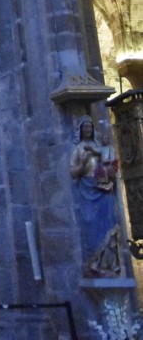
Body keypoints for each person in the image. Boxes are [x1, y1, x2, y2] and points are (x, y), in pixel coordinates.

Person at [70, 116, 121, 277]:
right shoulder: (78, 149)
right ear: (80, 130)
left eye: (90, 127)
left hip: (103, 189)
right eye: (85, 127)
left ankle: (110, 264)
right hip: (87, 189)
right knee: (90, 225)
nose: (88, 130)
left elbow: (110, 161)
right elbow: (73, 172)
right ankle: (93, 263)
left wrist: (110, 169)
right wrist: (84, 163)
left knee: (110, 222)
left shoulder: (100, 146)